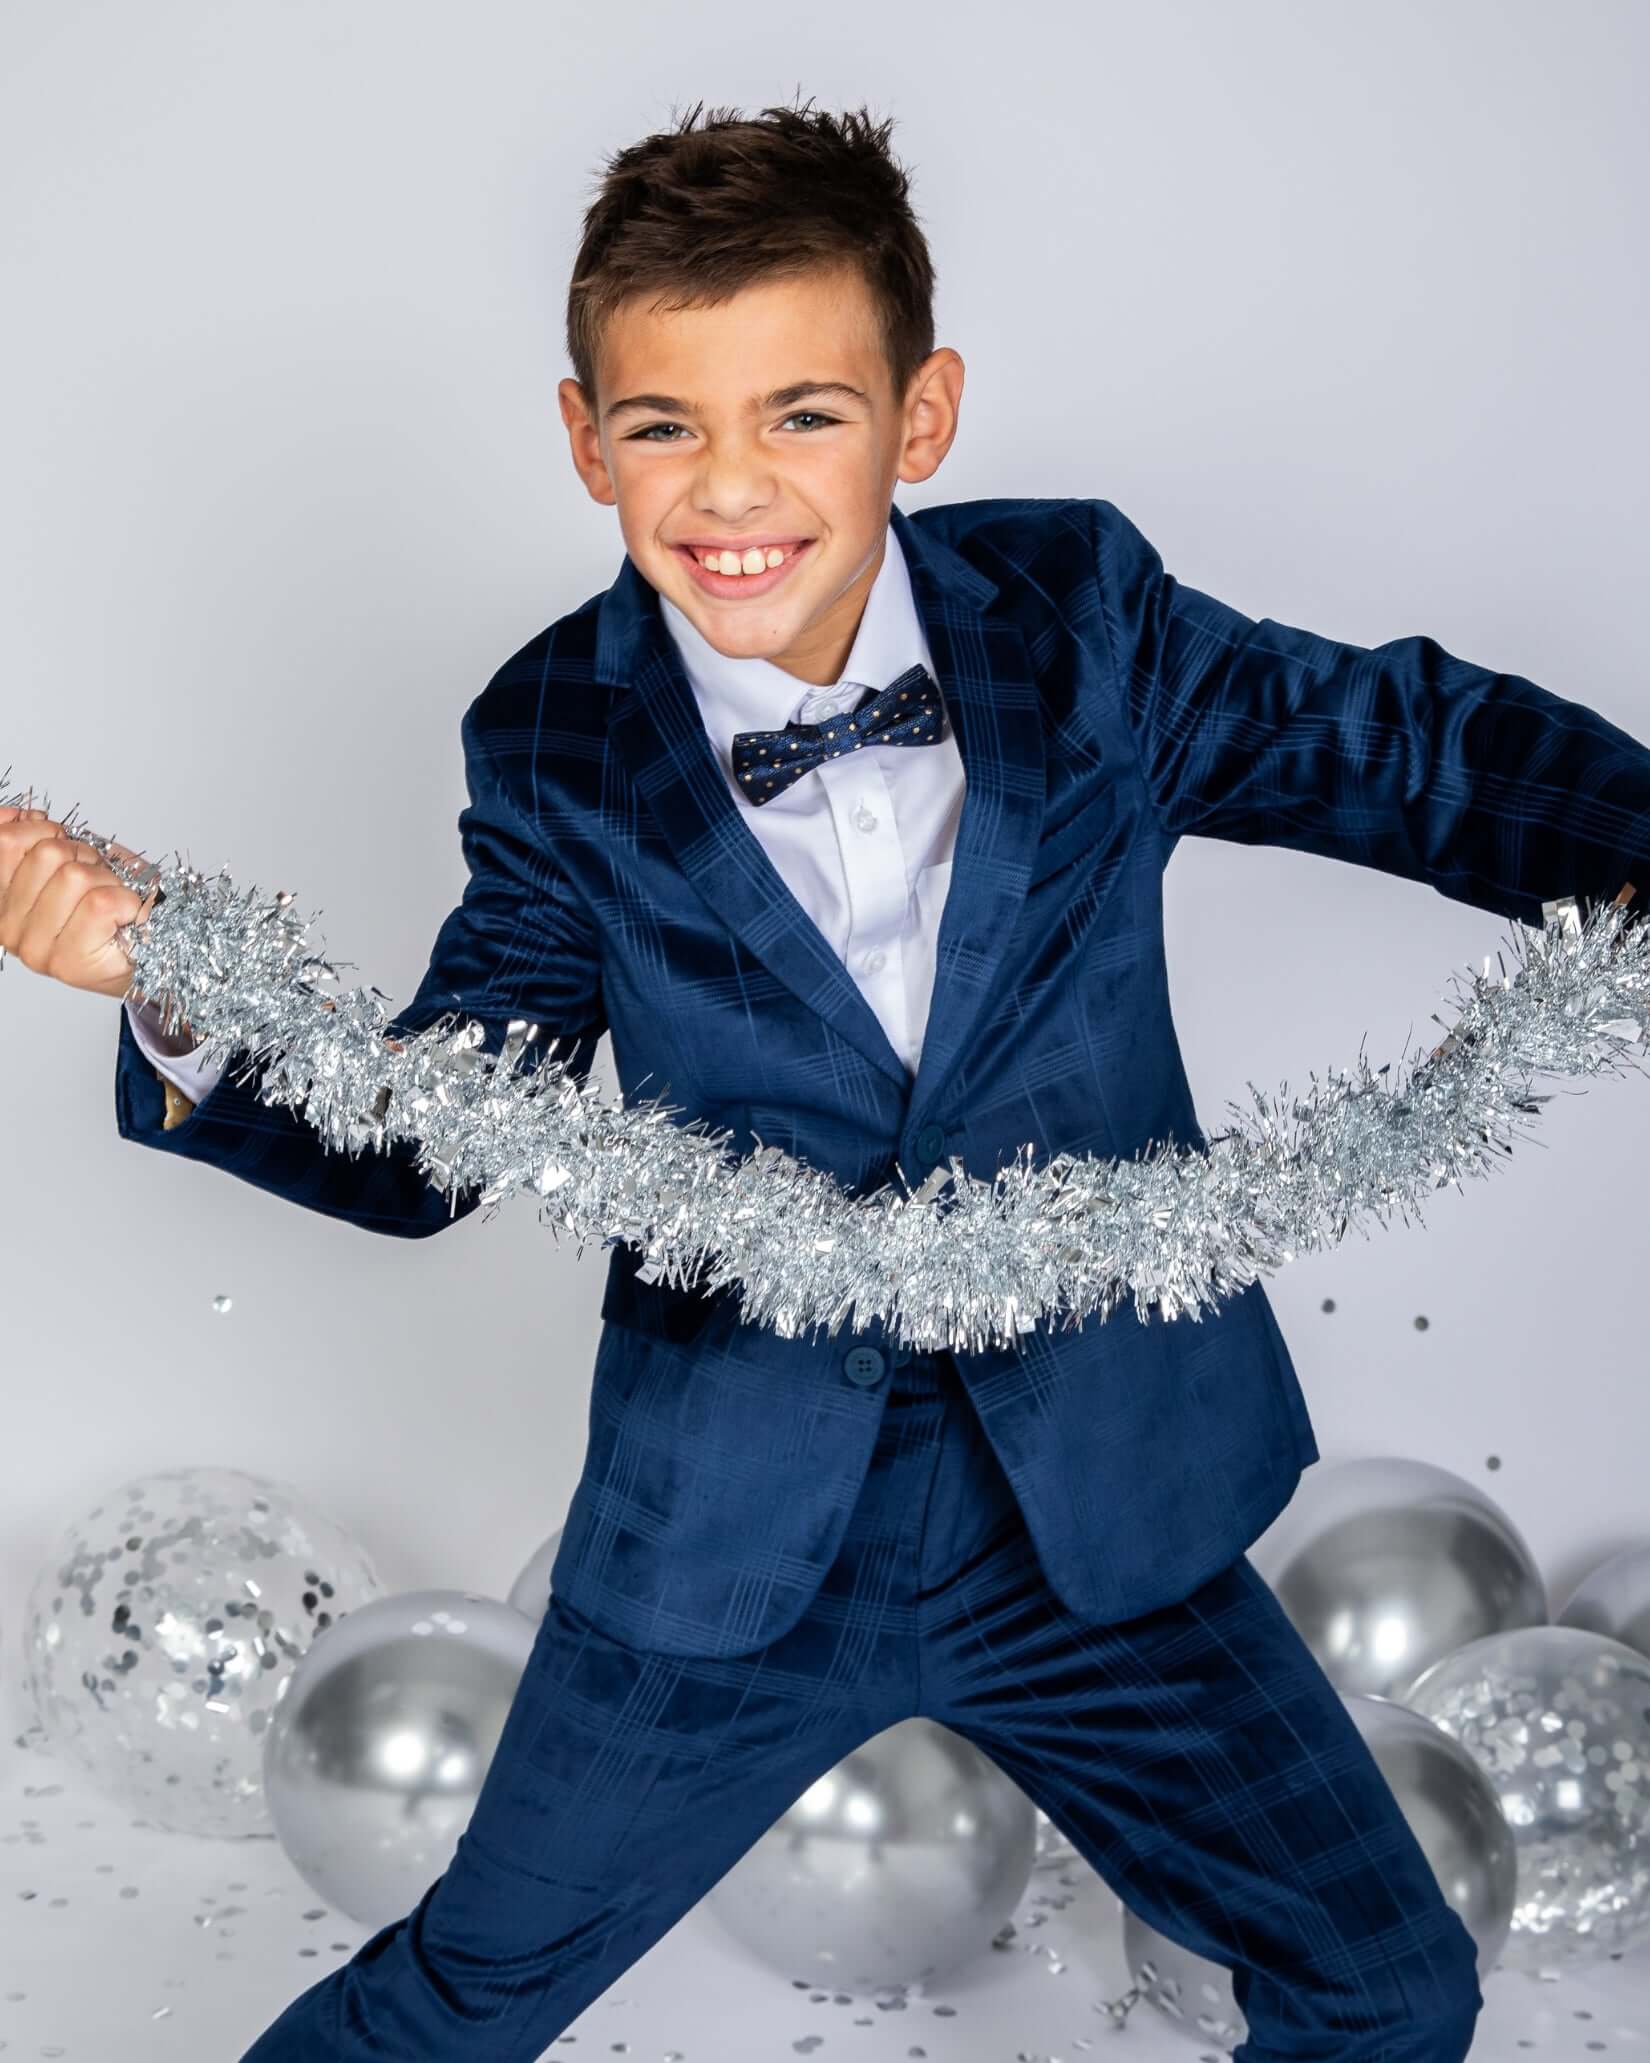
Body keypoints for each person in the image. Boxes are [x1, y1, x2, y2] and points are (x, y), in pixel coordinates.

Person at [6, 94, 1647, 2063]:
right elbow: (437, 1129)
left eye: (806, 413)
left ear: (920, 418)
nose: (732, 490)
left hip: (1102, 1510)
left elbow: (1410, 751)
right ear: (585, 437)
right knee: (455, 2003)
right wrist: (173, 990)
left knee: (1384, 1981)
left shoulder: (1084, 621)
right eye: (665, 425)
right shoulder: (554, 740)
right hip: (732, 1544)